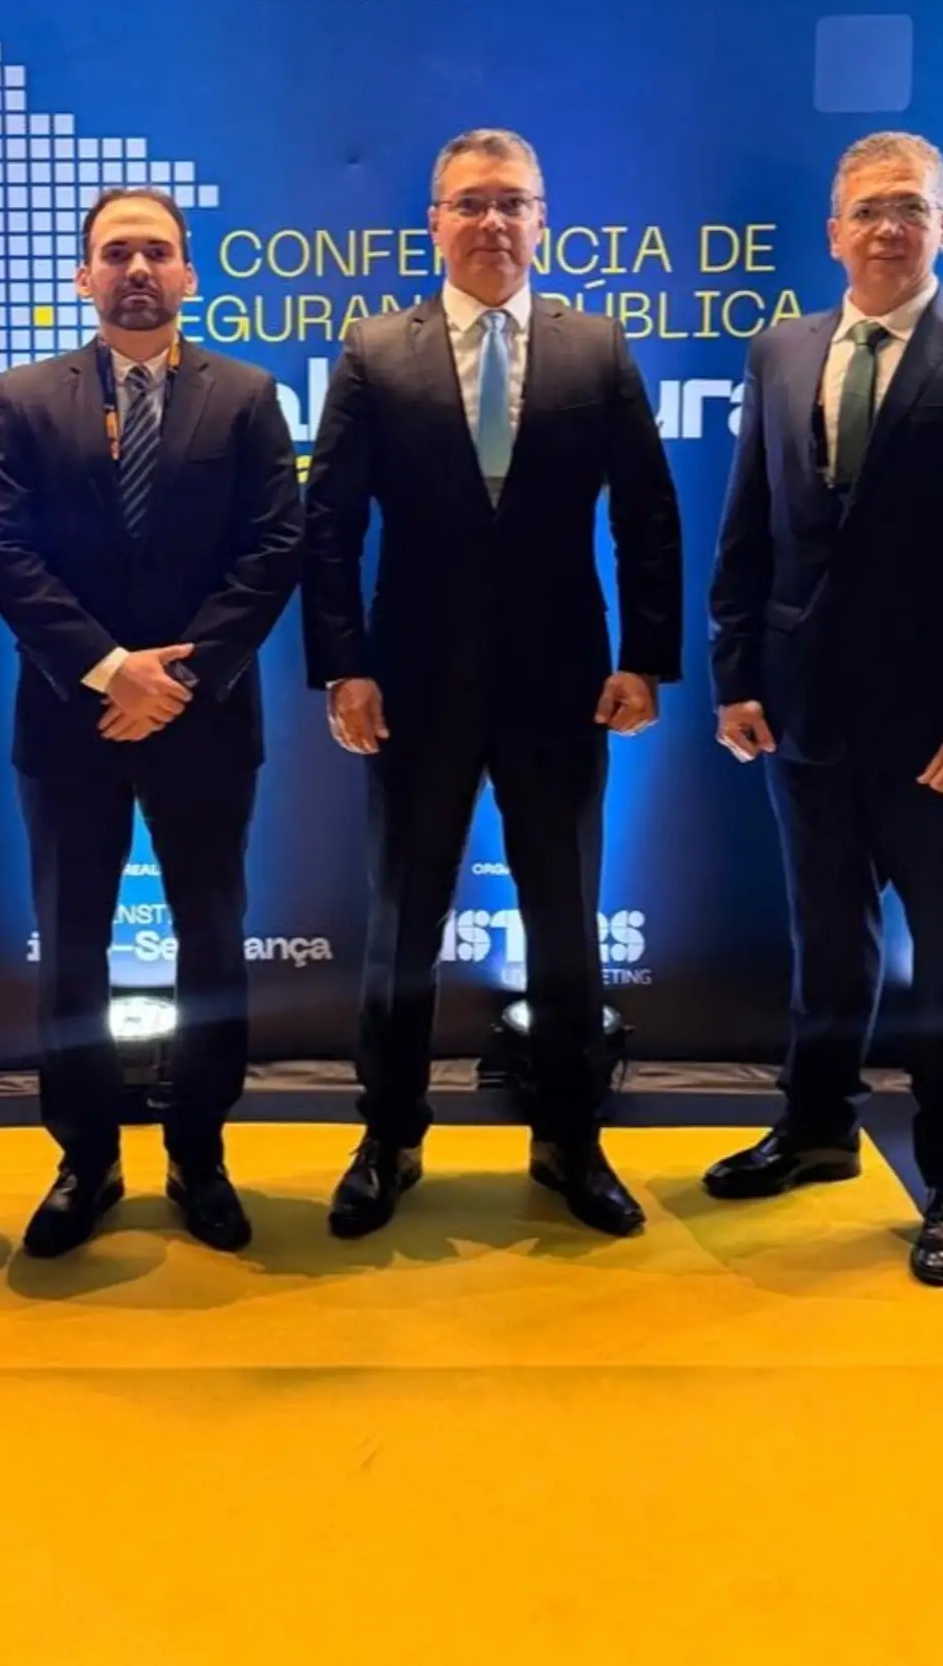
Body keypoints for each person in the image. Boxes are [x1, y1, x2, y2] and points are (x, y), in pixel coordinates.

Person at [303, 128, 684, 1239]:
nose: (491, 222)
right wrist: (344, 665)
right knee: (401, 918)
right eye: (468, 202)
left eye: (511, 202)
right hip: (412, 683)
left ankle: (570, 1138)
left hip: (563, 683)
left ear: (541, 219)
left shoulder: (595, 347)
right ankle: (389, 1134)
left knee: (563, 918)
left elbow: (647, 515)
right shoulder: (376, 350)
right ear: (433, 222)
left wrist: (644, 658)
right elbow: (328, 526)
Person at [706, 133, 943, 1287]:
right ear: (832, 230)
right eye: (868, 209)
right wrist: (735, 674)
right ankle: (814, 1128)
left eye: (910, 209)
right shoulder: (781, 349)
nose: (888, 227)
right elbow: (749, 524)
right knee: (826, 940)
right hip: (803, 712)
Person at [0, 188, 303, 1257]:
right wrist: (111, 671)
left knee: (212, 937)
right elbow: (2, 548)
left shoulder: (246, 395)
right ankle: (87, 1158)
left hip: (204, 718)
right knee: (71, 943)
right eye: (116, 253)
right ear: (84, 276)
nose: (137, 270)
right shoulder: (27, 397)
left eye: (156, 251)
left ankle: (199, 1153)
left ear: (189, 273)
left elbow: (274, 547)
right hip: (70, 717)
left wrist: (176, 678)